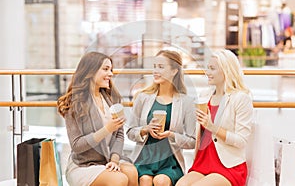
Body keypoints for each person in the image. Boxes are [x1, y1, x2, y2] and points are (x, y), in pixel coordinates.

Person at [57, 52, 138, 186]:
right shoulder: (75, 102)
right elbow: (77, 146)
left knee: (131, 173)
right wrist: (107, 129)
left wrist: (114, 160)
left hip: (107, 160)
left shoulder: (112, 98)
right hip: (83, 165)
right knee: (119, 179)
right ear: (91, 71)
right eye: (105, 69)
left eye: (111, 69)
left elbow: (119, 134)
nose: (111, 74)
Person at [176, 49, 253, 186]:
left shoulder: (241, 98)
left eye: (212, 69)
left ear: (226, 71)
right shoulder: (206, 94)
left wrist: (212, 127)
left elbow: (241, 140)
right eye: (207, 68)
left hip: (228, 166)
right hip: (203, 163)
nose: (207, 72)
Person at [126, 49, 196, 186]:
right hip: (144, 159)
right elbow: (129, 132)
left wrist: (171, 135)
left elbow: (193, 141)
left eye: (161, 67)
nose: (155, 71)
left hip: (170, 162)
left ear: (174, 71)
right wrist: (145, 129)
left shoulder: (186, 102)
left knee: (161, 181)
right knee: (145, 180)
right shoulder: (142, 97)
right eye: (154, 67)